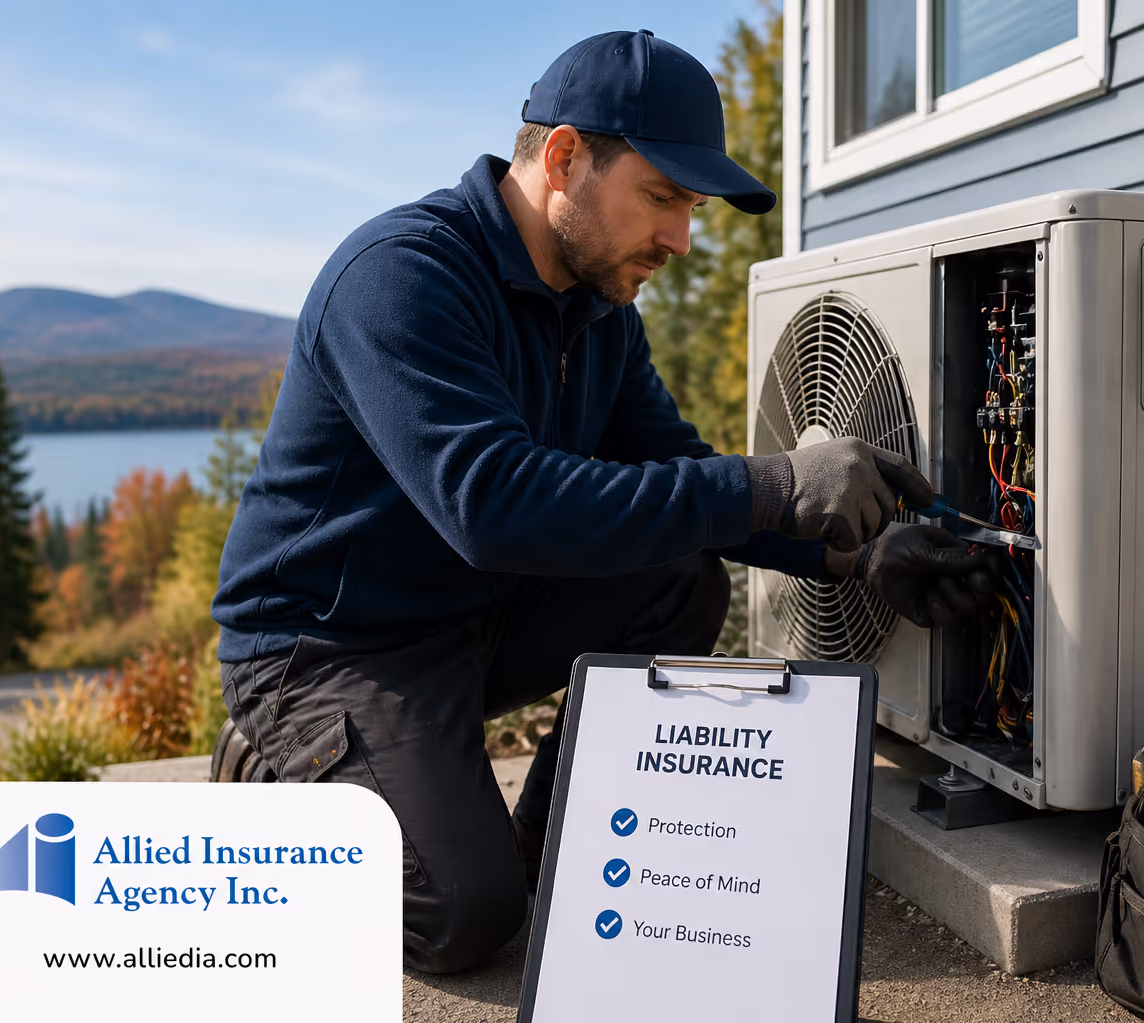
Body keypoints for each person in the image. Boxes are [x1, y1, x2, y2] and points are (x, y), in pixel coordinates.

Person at [212, 29, 991, 973]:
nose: (678, 239)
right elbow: (491, 504)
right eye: (661, 198)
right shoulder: (400, 276)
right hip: (332, 648)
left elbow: (675, 470)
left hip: (476, 614)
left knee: (678, 575)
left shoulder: (600, 312)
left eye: (691, 208)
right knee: (460, 917)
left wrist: (852, 554)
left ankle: (555, 849)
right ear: (563, 157)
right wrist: (778, 483)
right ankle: (277, 766)